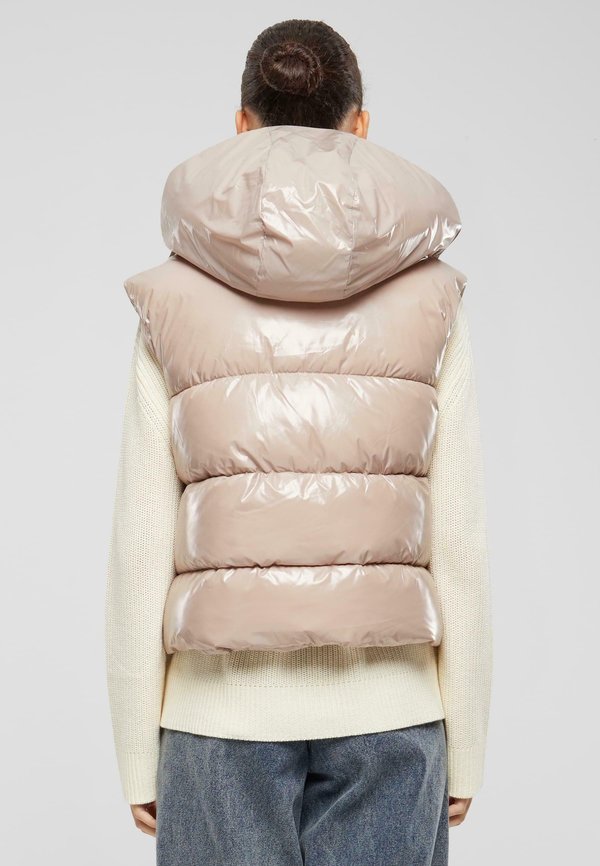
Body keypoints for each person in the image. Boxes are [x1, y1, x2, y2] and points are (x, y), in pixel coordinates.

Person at [105, 18, 493, 866]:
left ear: (242, 124)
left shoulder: (174, 297)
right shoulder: (432, 298)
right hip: (393, 717)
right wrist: (465, 733)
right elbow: (457, 538)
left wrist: (138, 745)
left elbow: (143, 540)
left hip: (216, 725)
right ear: (361, 126)